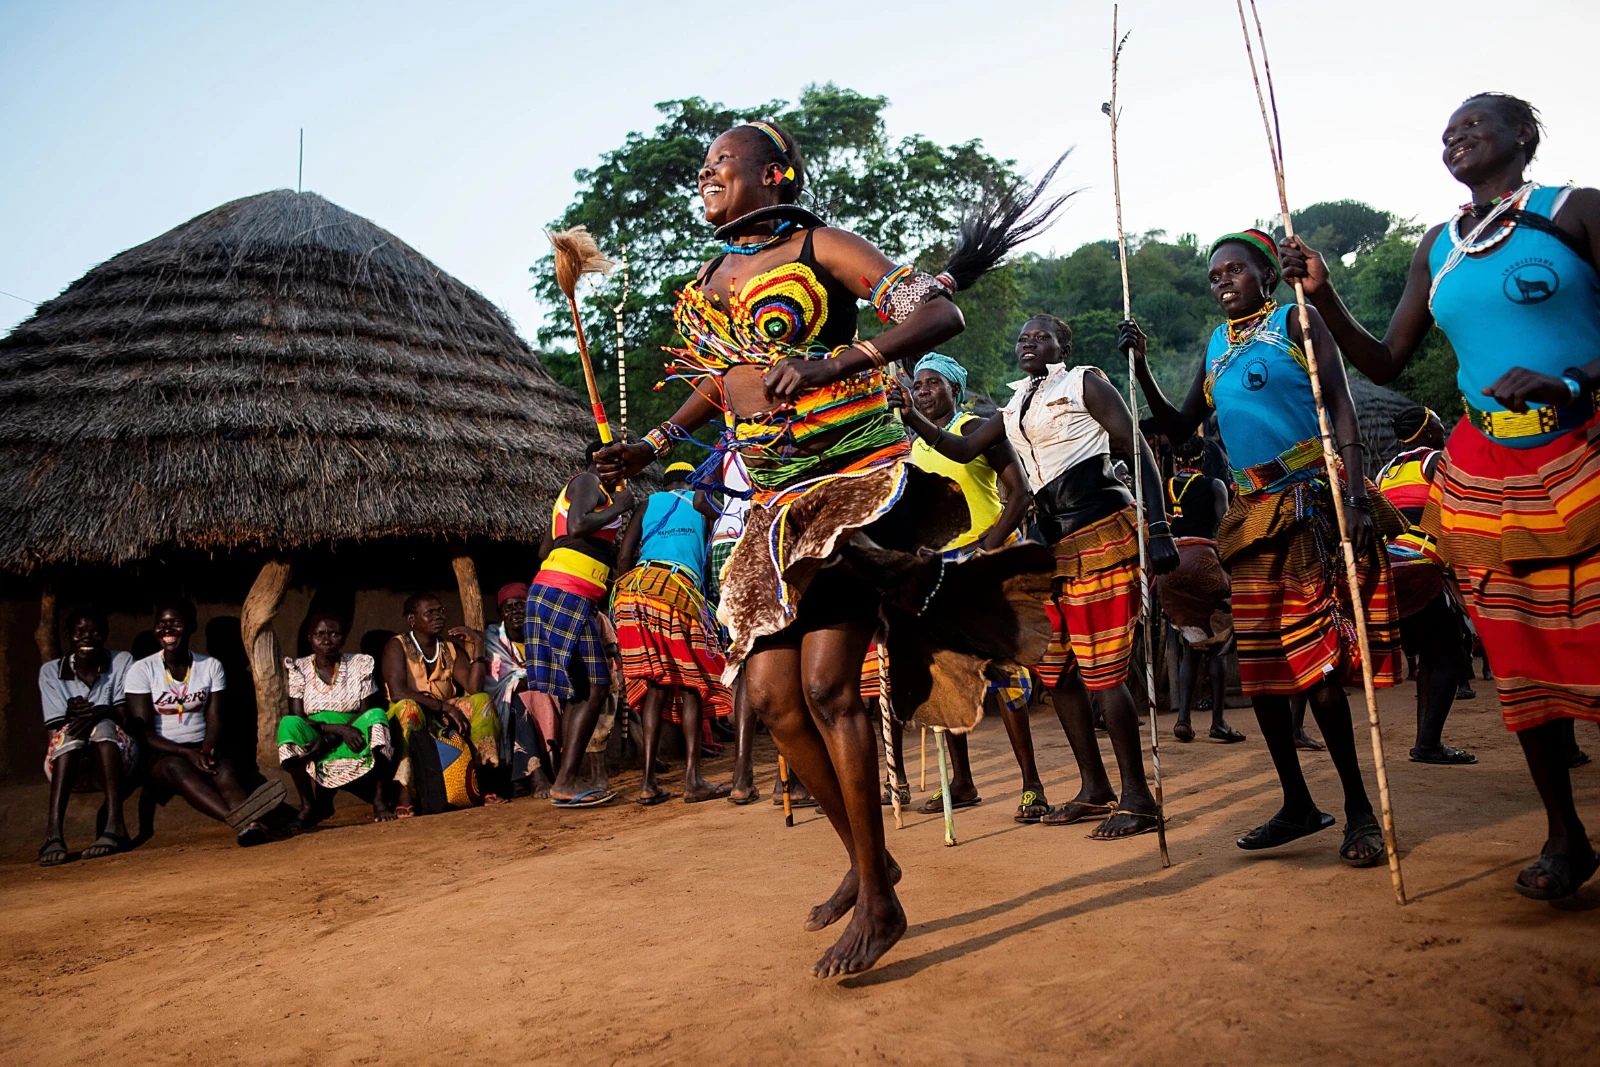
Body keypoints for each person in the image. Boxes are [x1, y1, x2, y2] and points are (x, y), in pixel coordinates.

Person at [596, 120, 1061, 976]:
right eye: (702, 168)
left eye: (721, 165)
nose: (706, 176)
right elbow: (716, 377)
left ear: (773, 175)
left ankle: (881, 906)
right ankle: (870, 860)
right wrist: (655, 440)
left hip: (852, 488)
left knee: (827, 685)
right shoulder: (709, 277)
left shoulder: (821, 244)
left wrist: (833, 365)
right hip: (774, 507)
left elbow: (938, 310)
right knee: (771, 698)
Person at [1278, 92, 1599, 899]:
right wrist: (1322, 294)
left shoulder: (1577, 211)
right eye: (1447, 131)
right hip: (1490, 469)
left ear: (1522, 137)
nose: (1456, 138)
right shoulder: (1440, 247)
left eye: (1474, 125)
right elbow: (1384, 360)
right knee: (1518, 648)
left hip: (1587, 451)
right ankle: (1565, 835)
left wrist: (1572, 380)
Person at [1126, 227, 1403, 868]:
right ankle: (1297, 803)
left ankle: (1360, 810)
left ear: (1266, 276)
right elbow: (1178, 426)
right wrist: (1141, 366)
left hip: (1309, 500)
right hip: (1251, 518)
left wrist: (1355, 498)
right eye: (1214, 274)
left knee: (1319, 668)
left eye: (1235, 270)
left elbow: (1342, 407)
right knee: (1263, 674)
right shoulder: (1217, 346)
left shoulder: (1297, 321)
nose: (1222, 279)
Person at [896, 316, 1180, 839]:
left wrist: (1158, 527)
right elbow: (960, 449)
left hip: (1098, 531)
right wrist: (910, 414)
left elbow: (1135, 448)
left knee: (1103, 672)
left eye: (1039, 337)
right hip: (1048, 546)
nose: (1027, 344)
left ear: (1062, 347)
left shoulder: (1085, 382)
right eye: (1022, 338)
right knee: (1058, 672)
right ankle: (1095, 789)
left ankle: (1138, 797)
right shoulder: (1013, 403)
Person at [875, 353, 1043, 820]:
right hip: (937, 568)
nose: (924, 390)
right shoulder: (910, 448)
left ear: (956, 389)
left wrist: (988, 547)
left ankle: (1032, 785)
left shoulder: (978, 428)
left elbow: (1020, 494)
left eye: (933, 383)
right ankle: (963, 782)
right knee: (946, 677)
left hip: (986, 562)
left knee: (1005, 674)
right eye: (919, 384)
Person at [614, 460, 734, 804]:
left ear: (664, 483)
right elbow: (712, 556)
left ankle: (648, 782)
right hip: (678, 591)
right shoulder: (703, 503)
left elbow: (624, 556)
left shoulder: (647, 503)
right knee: (693, 684)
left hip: (636, 591)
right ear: (692, 480)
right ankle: (693, 779)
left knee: (655, 685)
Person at [525, 441, 636, 808]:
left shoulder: (585, 491)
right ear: (598, 462)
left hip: (567, 595)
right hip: (565, 594)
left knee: (581, 690)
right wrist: (618, 508)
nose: (621, 467)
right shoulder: (588, 482)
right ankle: (567, 779)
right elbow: (576, 527)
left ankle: (565, 780)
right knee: (598, 685)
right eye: (615, 461)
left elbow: (546, 549)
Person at [125, 600, 283, 846]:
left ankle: (251, 827)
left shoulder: (210, 666)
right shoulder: (142, 670)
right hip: (162, 753)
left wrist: (206, 750)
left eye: (175, 623)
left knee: (224, 772)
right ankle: (243, 821)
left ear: (191, 626)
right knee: (178, 769)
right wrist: (185, 753)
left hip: (202, 745)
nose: (167, 630)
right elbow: (143, 731)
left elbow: (215, 718)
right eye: (161, 624)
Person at [1375, 406, 1476, 765]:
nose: (1444, 430)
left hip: (1391, 568)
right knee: (1449, 656)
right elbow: (1455, 512)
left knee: (1435, 656)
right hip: (1420, 567)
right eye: (1439, 425)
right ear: (1425, 433)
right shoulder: (1436, 461)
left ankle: (1426, 741)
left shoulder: (1385, 471)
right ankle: (1428, 743)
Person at [381, 593, 502, 816]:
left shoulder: (449, 648)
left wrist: (478, 645)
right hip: (409, 713)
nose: (439, 617)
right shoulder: (397, 646)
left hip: (442, 713)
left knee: (482, 702)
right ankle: (404, 792)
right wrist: (444, 707)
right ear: (411, 619)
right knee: (409, 708)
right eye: (430, 613)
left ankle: (482, 781)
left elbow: (475, 689)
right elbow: (398, 692)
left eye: (441, 611)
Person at [1158, 436, 1245, 744]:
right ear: (1202, 458)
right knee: (1218, 643)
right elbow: (1226, 524)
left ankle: (1183, 719)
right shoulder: (1214, 485)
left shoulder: (1164, 486)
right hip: (1203, 562)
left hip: (1169, 566)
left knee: (1190, 642)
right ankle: (1218, 722)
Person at [277, 612, 396, 828]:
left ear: (343, 637)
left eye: (333, 634)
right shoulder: (299, 668)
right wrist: (335, 732)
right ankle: (308, 805)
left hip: (354, 729)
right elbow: (298, 716)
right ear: (309, 638)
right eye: (319, 634)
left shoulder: (359, 664)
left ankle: (379, 800)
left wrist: (339, 734)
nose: (326, 640)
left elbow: (367, 708)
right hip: (319, 733)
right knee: (288, 725)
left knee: (378, 717)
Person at [37, 607, 136, 865]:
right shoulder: (50, 671)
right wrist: (74, 715)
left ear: (104, 635)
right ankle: (53, 834)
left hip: (116, 765)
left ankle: (116, 825)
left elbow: (124, 716)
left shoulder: (122, 661)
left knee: (103, 726)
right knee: (69, 734)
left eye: (94, 632)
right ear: (69, 635)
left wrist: (101, 712)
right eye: (80, 632)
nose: (87, 638)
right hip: (73, 770)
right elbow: (57, 723)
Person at [700, 450, 761, 804]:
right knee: (778, 648)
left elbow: (698, 499)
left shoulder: (726, 446)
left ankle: (742, 776)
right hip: (757, 538)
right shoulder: (773, 433)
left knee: (744, 660)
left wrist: (727, 515)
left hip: (723, 544)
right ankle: (790, 781)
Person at [484, 583, 553, 797]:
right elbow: (498, 683)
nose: (515, 611)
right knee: (522, 702)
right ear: (501, 614)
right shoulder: (493, 640)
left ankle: (553, 769)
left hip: (548, 698)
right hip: (508, 704)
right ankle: (536, 774)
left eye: (520, 605)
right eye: (508, 607)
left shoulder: (542, 635)